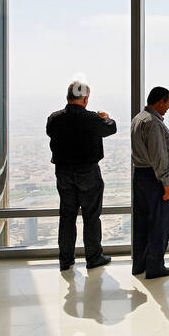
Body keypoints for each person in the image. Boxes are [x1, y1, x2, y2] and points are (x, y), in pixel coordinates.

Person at [46, 81, 117, 271]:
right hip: (88, 171)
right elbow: (110, 128)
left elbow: (50, 132)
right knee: (91, 215)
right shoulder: (92, 119)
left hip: (63, 172)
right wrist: (106, 117)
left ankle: (66, 259)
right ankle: (93, 257)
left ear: (68, 97)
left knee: (67, 215)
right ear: (85, 98)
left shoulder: (54, 118)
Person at [130, 86, 169, 279]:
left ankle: (139, 264)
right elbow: (157, 156)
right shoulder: (153, 123)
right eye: (168, 102)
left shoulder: (138, 119)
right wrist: (166, 183)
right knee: (159, 223)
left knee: (141, 223)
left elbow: (157, 146)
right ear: (160, 101)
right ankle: (155, 267)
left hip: (140, 176)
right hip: (155, 178)